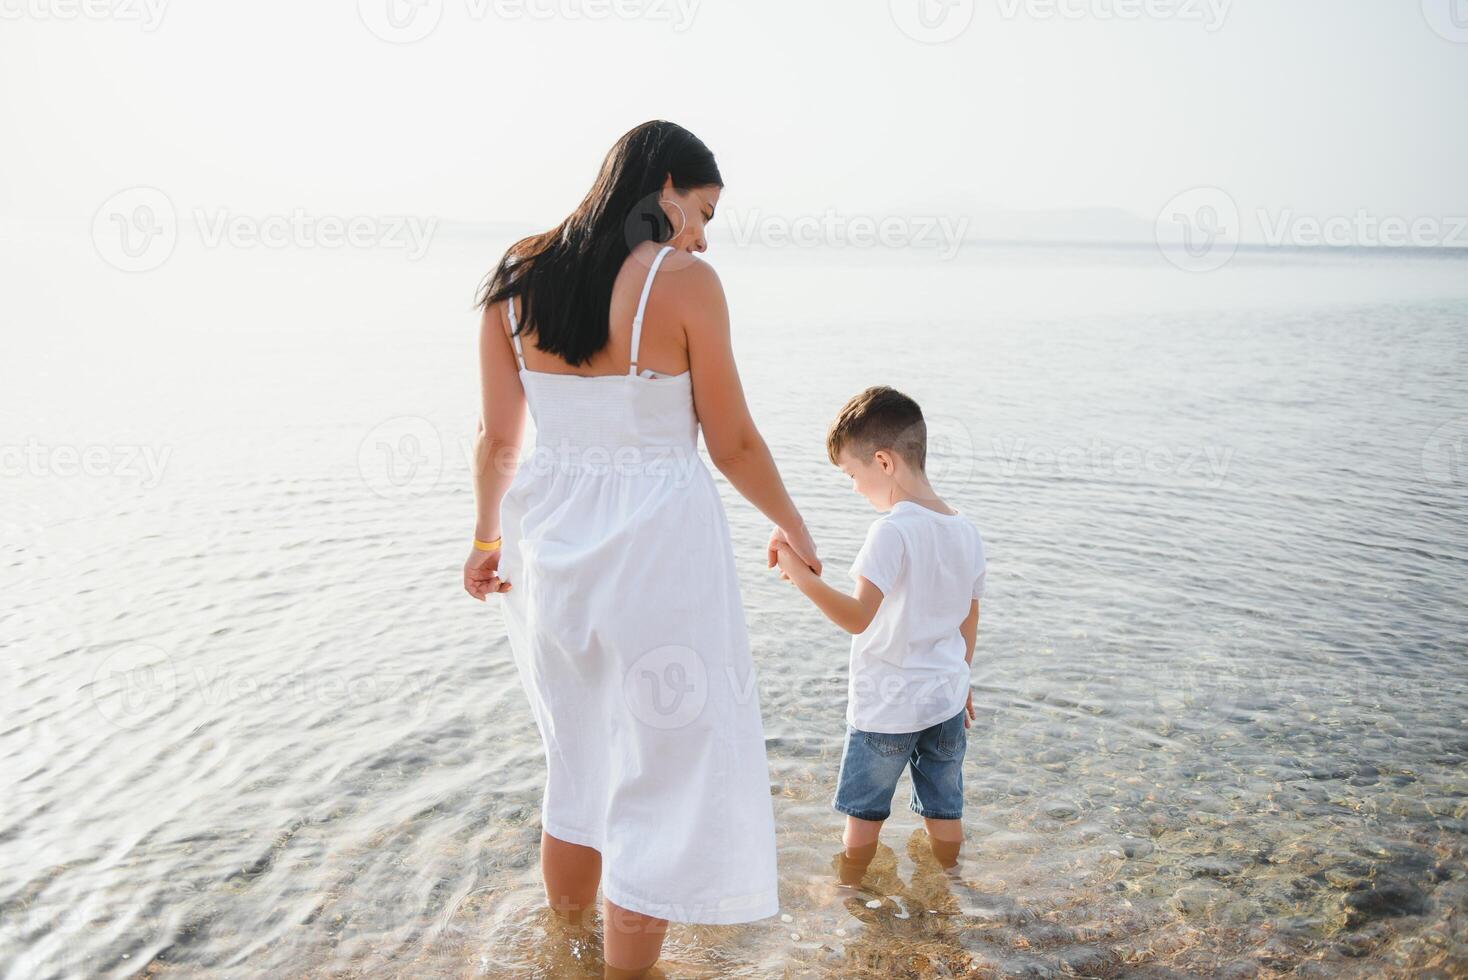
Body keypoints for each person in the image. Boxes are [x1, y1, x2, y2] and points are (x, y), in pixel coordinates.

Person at [463, 120, 820, 979]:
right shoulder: (686, 281)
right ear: (664, 185)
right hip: (659, 551)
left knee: (578, 758)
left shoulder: (516, 278)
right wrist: (797, 526)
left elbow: (497, 441)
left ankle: (566, 953)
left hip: (549, 553)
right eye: (702, 210)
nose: (700, 232)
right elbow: (731, 442)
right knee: (665, 779)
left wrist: (484, 537)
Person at [773, 385, 985, 884]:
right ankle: (950, 889)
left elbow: (856, 616)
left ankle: (847, 898)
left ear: (884, 462)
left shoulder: (891, 531)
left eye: (852, 473)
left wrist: (798, 573)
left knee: (864, 816)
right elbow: (969, 618)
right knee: (944, 809)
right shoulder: (966, 529)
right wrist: (963, 677)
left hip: (886, 705)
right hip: (945, 699)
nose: (852, 486)